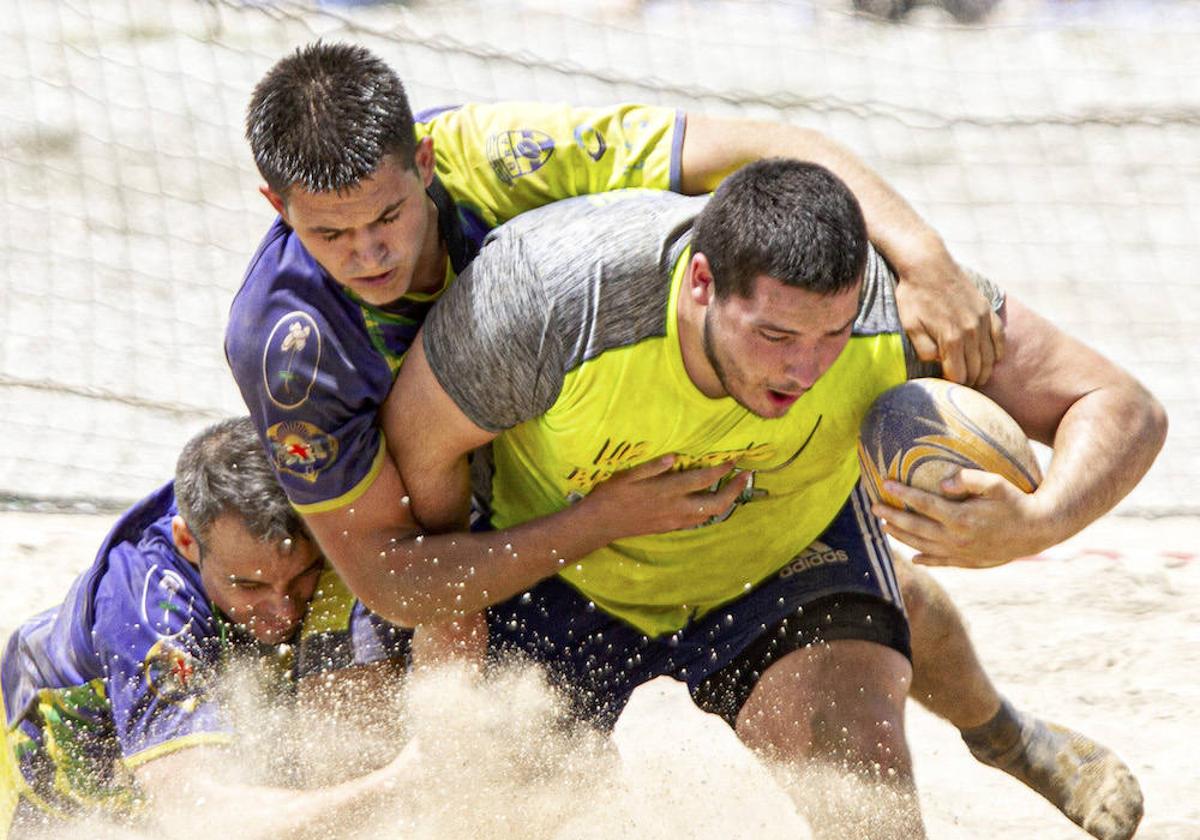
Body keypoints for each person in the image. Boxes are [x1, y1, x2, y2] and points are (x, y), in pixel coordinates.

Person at [223, 41, 1136, 838]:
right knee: (426, 751)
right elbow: (407, 557)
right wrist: (460, 706)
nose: (369, 254)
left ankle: (1004, 732)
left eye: (387, 217)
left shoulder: (508, 162)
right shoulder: (298, 353)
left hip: (745, 516)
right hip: (514, 515)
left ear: (423, 163)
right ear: (276, 206)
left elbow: (781, 154)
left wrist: (928, 263)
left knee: (862, 718)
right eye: (330, 233)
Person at [382, 163, 1165, 838]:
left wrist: (1038, 521)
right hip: (562, 565)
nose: (807, 368)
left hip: (779, 562)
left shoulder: (899, 309)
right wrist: (454, 665)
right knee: (499, 802)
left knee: (870, 812)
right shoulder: (551, 298)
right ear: (700, 283)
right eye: (777, 336)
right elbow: (419, 454)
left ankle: (1000, 734)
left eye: (833, 334)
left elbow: (1122, 404)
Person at [0, 417, 414, 839]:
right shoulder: (150, 615)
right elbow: (200, 815)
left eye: (303, 575)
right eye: (249, 584)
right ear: (186, 542)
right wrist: (396, 782)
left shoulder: (251, 512)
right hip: (57, 784)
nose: (283, 609)